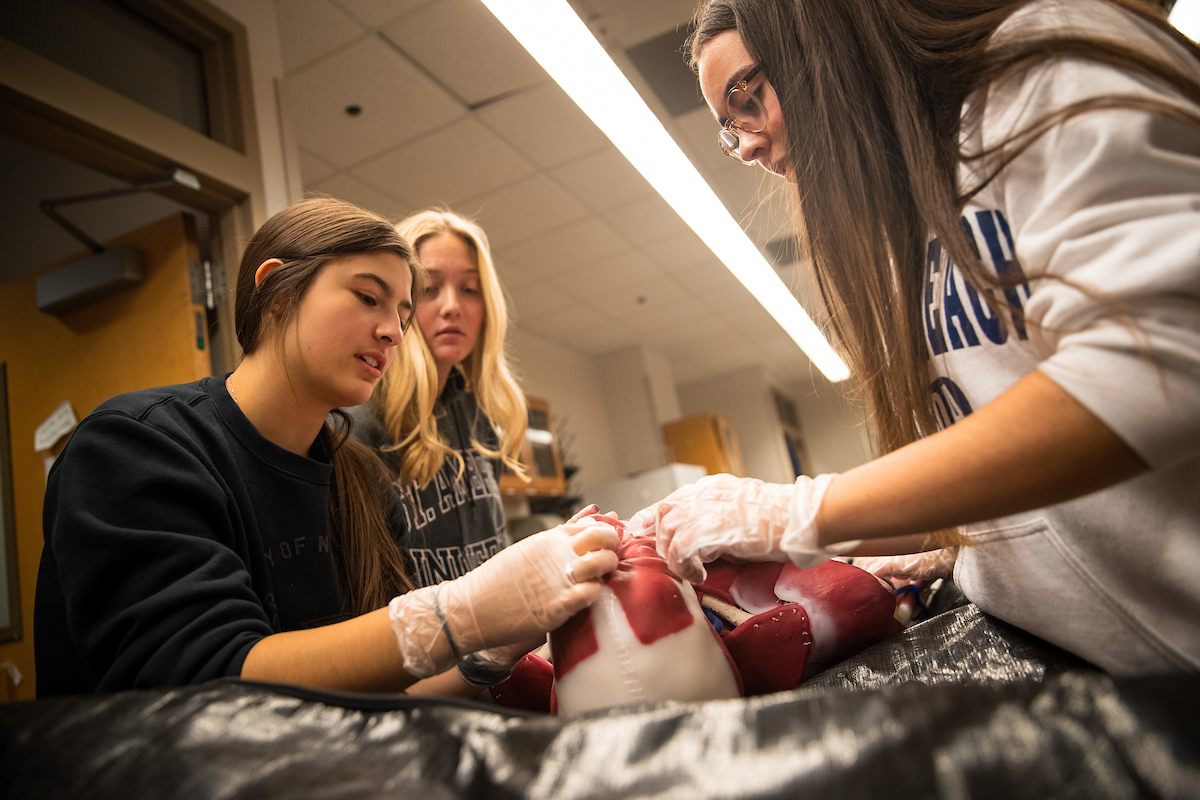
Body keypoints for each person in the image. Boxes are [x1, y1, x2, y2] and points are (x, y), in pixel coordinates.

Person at [630, 0, 1200, 677]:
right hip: (1087, 661)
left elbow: (1151, 371)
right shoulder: (913, 220)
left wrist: (796, 511)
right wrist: (949, 536)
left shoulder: (1037, 64)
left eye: (746, 98)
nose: (746, 144)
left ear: (826, 43)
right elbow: (1005, 457)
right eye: (729, 130)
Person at [35, 197, 618, 697]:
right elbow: (209, 682)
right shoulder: (135, 447)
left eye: (400, 314)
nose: (393, 329)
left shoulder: (363, 484)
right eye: (369, 297)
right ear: (277, 291)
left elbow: (394, 680)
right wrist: (464, 611)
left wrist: (492, 648)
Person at [350, 209, 526, 591]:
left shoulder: (480, 419)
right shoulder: (358, 423)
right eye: (429, 288)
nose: (452, 306)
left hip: (505, 644)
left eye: (469, 289)